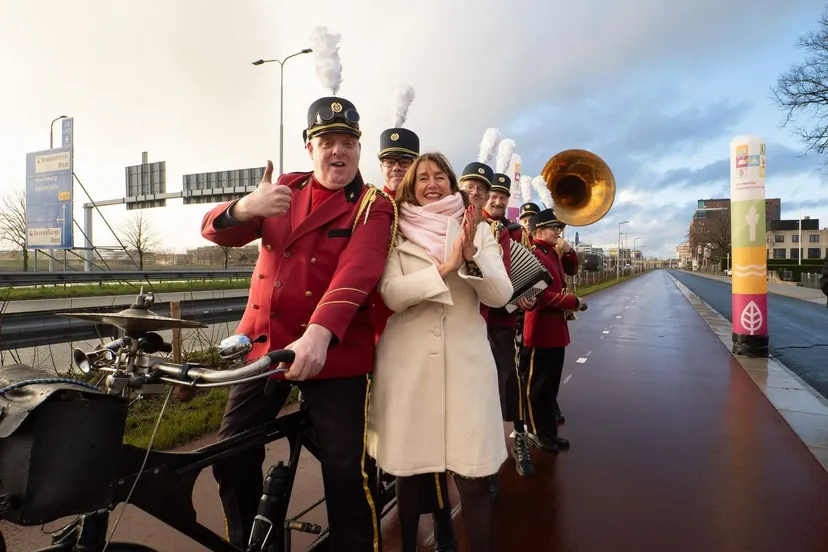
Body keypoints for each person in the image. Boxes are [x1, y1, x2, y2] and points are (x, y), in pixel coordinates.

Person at [201, 95, 395, 552]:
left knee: (347, 470)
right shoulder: (285, 188)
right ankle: (253, 543)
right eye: (327, 140)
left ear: (359, 149)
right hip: (266, 345)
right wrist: (247, 206)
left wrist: (320, 333)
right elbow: (214, 230)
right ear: (310, 148)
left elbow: (359, 270)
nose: (338, 151)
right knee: (230, 453)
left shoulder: (372, 204)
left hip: (332, 351)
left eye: (348, 141)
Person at [367, 152, 513, 552]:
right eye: (423, 178)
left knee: (474, 480)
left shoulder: (478, 230)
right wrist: (444, 268)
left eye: (440, 177)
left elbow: (501, 295)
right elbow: (391, 295)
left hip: (467, 367)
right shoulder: (396, 230)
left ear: (452, 184)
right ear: (412, 188)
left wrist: (472, 256)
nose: (432, 184)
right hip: (408, 369)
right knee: (410, 479)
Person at [371, 127, 459, 552]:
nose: (396, 169)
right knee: (382, 450)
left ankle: (442, 524)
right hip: (367, 334)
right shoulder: (372, 204)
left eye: (405, 163)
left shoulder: (421, 215)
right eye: (390, 162)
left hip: (412, 334)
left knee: (428, 447)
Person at [520, 208, 585, 458]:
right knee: (537, 386)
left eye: (559, 229)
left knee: (550, 386)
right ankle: (536, 431)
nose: (558, 233)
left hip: (554, 330)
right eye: (554, 229)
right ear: (538, 232)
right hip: (539, 330)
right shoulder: (535, 253)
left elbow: (571, 271)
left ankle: (548, 431)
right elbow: (537, 296)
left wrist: (569, 251)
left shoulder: (551, 252)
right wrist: (572, 302)